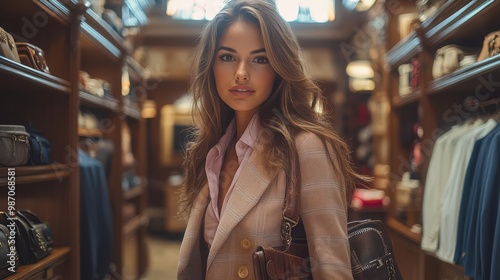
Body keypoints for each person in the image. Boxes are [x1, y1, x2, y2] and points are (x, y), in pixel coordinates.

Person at [177, 0, 368, 279]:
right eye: (228, 57)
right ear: (211, 65)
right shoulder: (212, 150)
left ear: (279, 69)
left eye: (260, 59)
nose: (241, 72)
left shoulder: (308, 147)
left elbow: (333, 267)